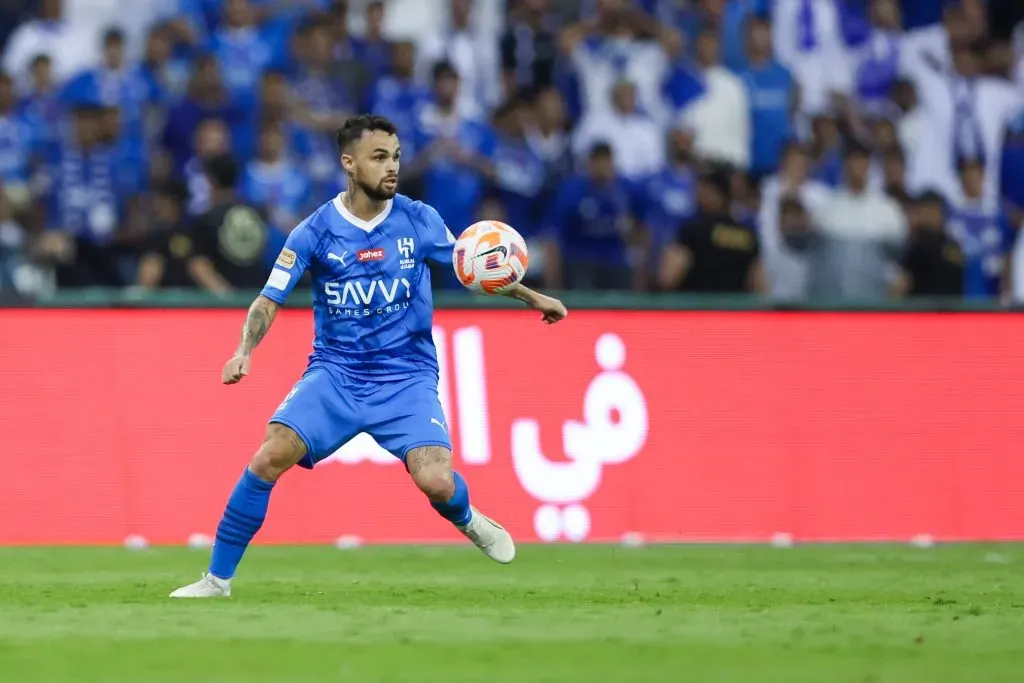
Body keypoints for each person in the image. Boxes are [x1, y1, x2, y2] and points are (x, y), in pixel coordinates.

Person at [170, 115, 567, 598]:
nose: (392, 167)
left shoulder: (419, 219)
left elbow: (472, 268)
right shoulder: (314, 231)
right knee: (269, 456)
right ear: (349, 163)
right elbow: (269, 298)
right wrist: (243, 351)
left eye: (396, 156)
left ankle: (467, 517)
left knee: (437, 482)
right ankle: (217, 580)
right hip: (335, 376)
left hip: (406, 378)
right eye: (380, 157)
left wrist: (533, 297)